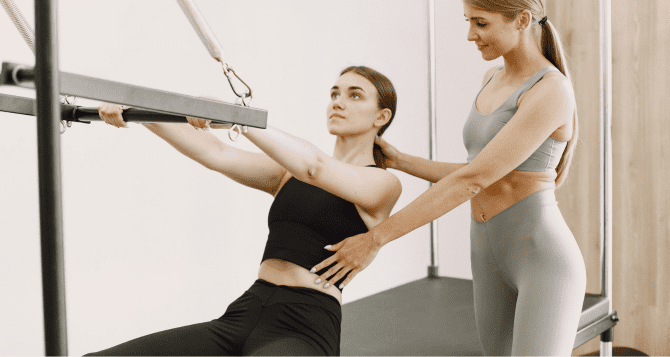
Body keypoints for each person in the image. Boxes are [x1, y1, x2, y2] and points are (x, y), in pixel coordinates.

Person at [311, 1, 587, 355]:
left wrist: (376, 239)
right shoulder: (491, 79)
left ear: (521, 20)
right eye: (468, 21)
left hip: (542, 259)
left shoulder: (551, 90)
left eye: (481, 23)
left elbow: (473, 179)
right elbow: (481, 170)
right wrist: (400, 161)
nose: (471, 34)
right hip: (486, 253)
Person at [85, 65, 402, 356]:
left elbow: (316, 168)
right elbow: (216, 152)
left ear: (380, 117)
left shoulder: (382, 184)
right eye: (334, 93)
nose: (338, 102)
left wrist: (237, 116)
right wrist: (139, 113)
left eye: (354, 95)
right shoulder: (286, 173)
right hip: (245, 310)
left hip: (305, 325)